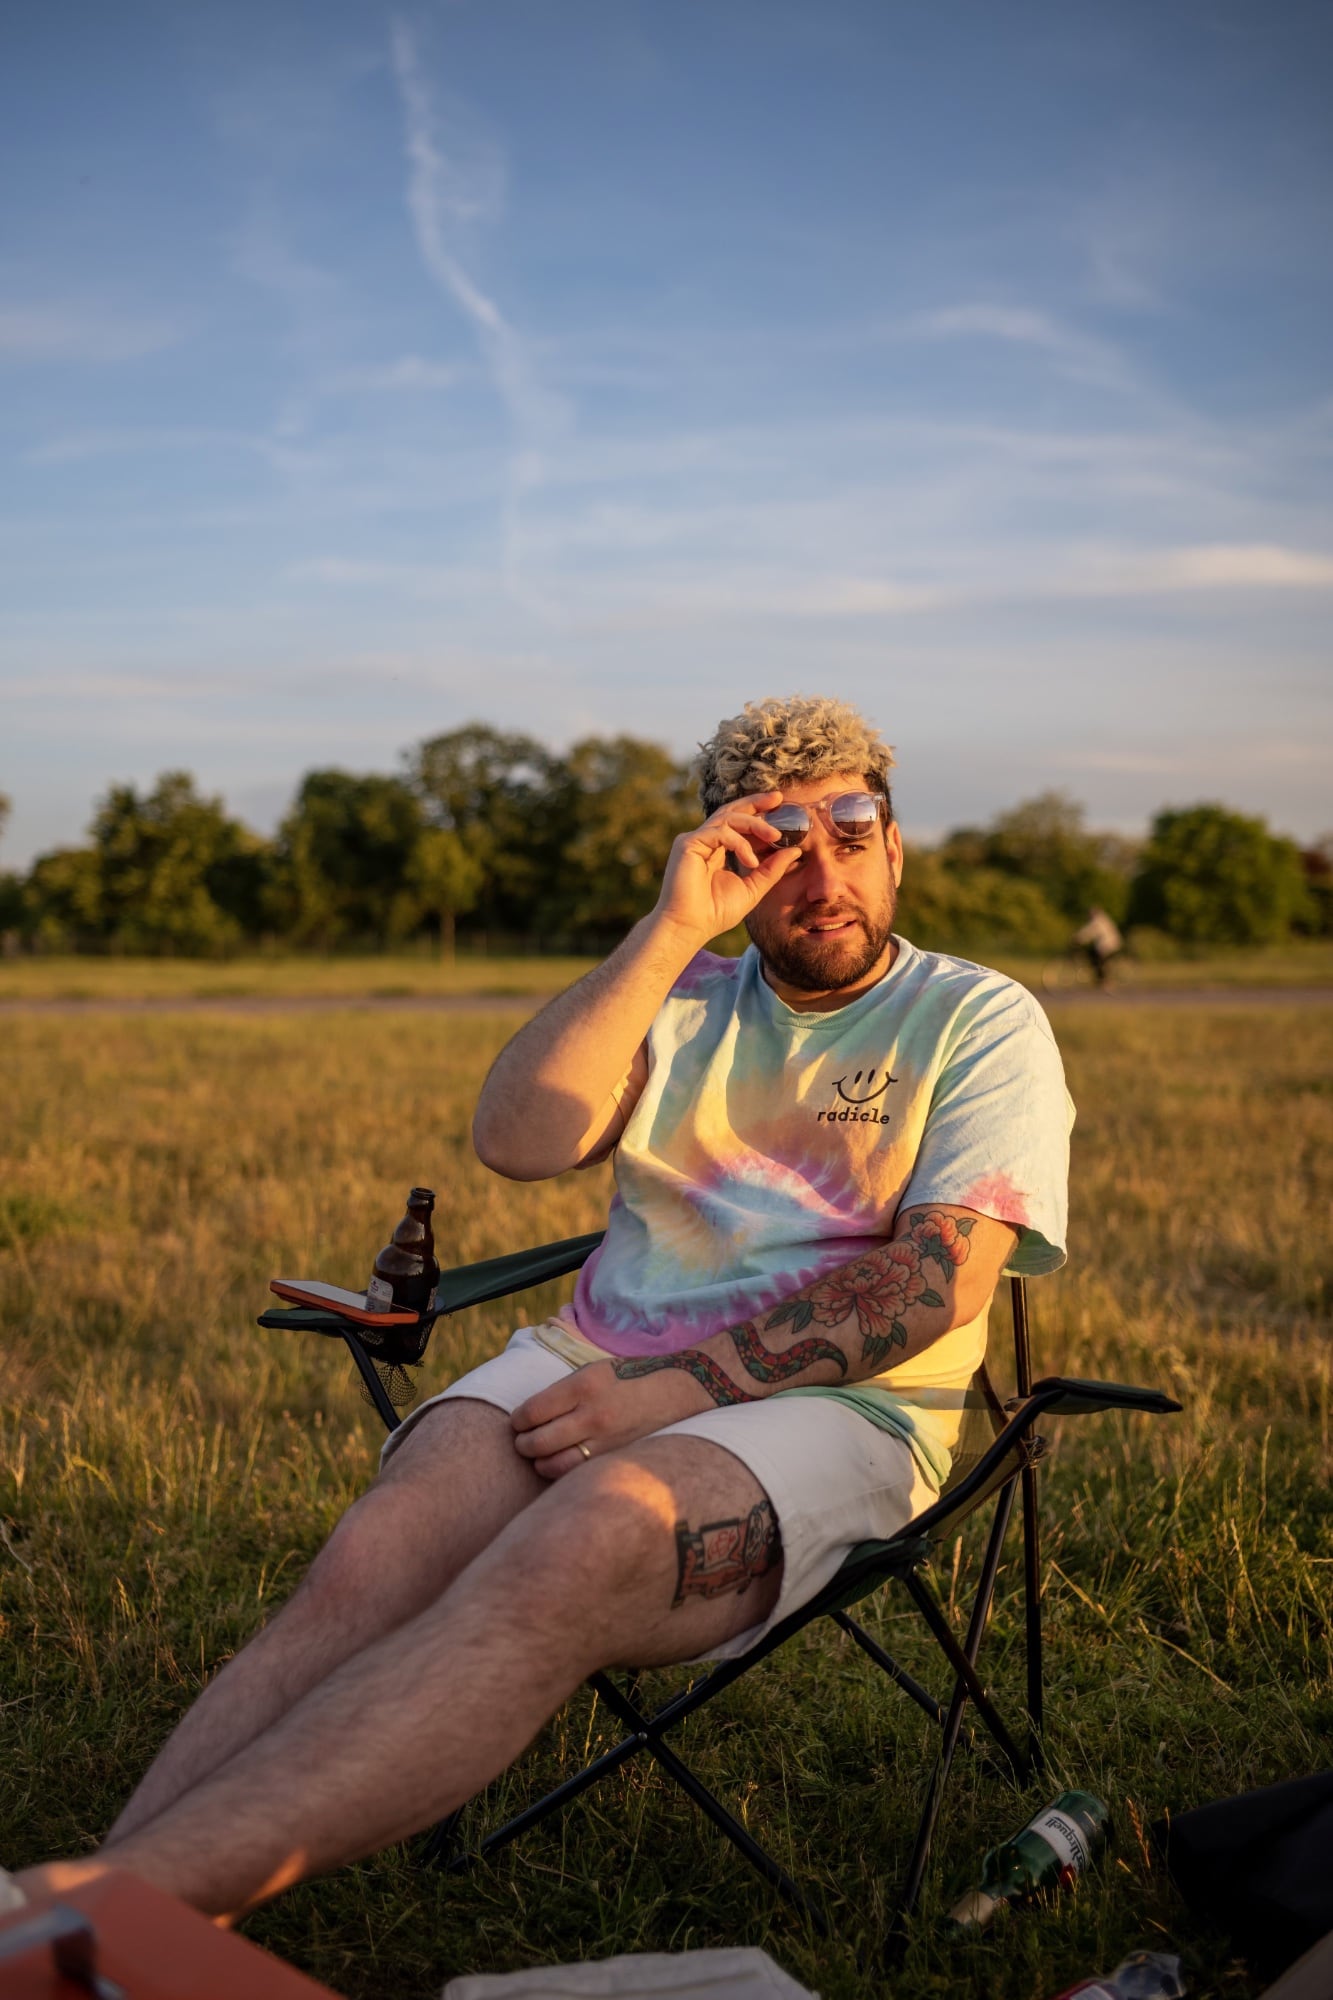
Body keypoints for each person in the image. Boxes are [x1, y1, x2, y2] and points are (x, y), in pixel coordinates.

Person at [15, 696, 1072, 1925]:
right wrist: (668, 932)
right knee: (372, 1556)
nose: (822, 877)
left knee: (577, 1546)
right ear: (729, 863)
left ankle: (99, 1917)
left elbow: (938, 1278)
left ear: (894, 846)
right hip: (592, 1357)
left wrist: (673, 1390)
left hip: (839, 1404)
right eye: (780, 846)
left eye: (849, 835)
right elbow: (515, 1140)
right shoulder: (683, 996)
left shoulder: (975, 1014)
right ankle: (101, 1920)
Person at [1072, 906, 1123, 987]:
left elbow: (1090, 932)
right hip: (1110, 945)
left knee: (1098, 961)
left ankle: (1104, 980)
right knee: (1097, 959)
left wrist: (1078, 938)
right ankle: (1101, 979)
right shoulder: (1104, 919)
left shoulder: (1099, 921)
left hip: (1108, 945)